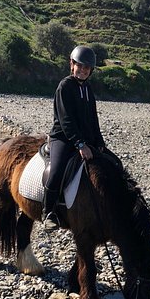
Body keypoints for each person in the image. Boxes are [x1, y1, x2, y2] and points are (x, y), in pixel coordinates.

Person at [43, 45, 106, 231]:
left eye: (87, 68)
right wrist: (79, 143)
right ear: (72, 64)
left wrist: (99, 142)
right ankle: (49, 212)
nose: (83, 70)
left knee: (112, 163)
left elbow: (93, 119)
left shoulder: (88, 89)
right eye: (80, 66)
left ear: (91, 71)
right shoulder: (65, 86)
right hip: (63, 137)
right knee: (56, 171)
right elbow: (66, 120)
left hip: (85, 139)